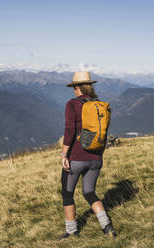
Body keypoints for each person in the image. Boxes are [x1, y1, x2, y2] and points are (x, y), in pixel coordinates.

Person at [59, 71, 117, 239]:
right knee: (90, 192)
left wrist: (64, 154)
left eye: (73, 87)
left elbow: (69, 130)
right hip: (96, 157)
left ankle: (71, 231)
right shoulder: (99, 104)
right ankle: (107, 226)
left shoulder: (72, 104)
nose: (73, 90)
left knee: (67, 193)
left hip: (76, 157)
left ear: (77, 87)